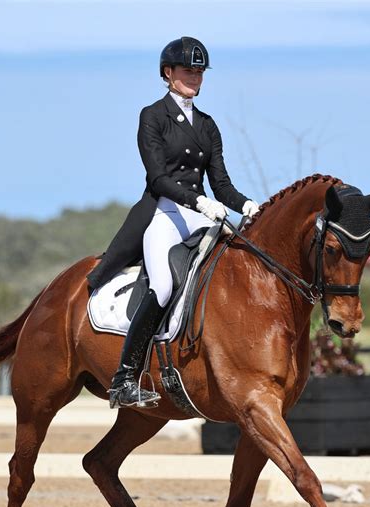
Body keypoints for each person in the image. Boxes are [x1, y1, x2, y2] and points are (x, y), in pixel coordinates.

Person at [87, 36, 260, 408]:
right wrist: (199, 201)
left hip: (202, 216)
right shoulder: (153, 116)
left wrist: (246, 204)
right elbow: (158, 178)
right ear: (168, 73)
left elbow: (222, 183)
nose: (194, 78)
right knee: (164, 285)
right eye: (187, 71)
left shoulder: (208, 125)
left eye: (199, 72)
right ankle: (126, 377)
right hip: (165, 213)